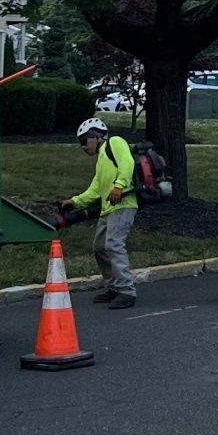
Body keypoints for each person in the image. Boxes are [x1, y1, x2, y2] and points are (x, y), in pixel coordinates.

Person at [60, 116, 139, 308]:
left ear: (96, 136)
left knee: (113, 245)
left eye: (84, 141)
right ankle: (113, 287)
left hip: (123, 205)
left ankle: (127, 291)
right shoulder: (102, 159)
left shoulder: (115, 142)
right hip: (107, 209)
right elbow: (95, 189)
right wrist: (75, 201)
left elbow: (128, 163)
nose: (83, 146)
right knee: (99, 247)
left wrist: (119, 186)